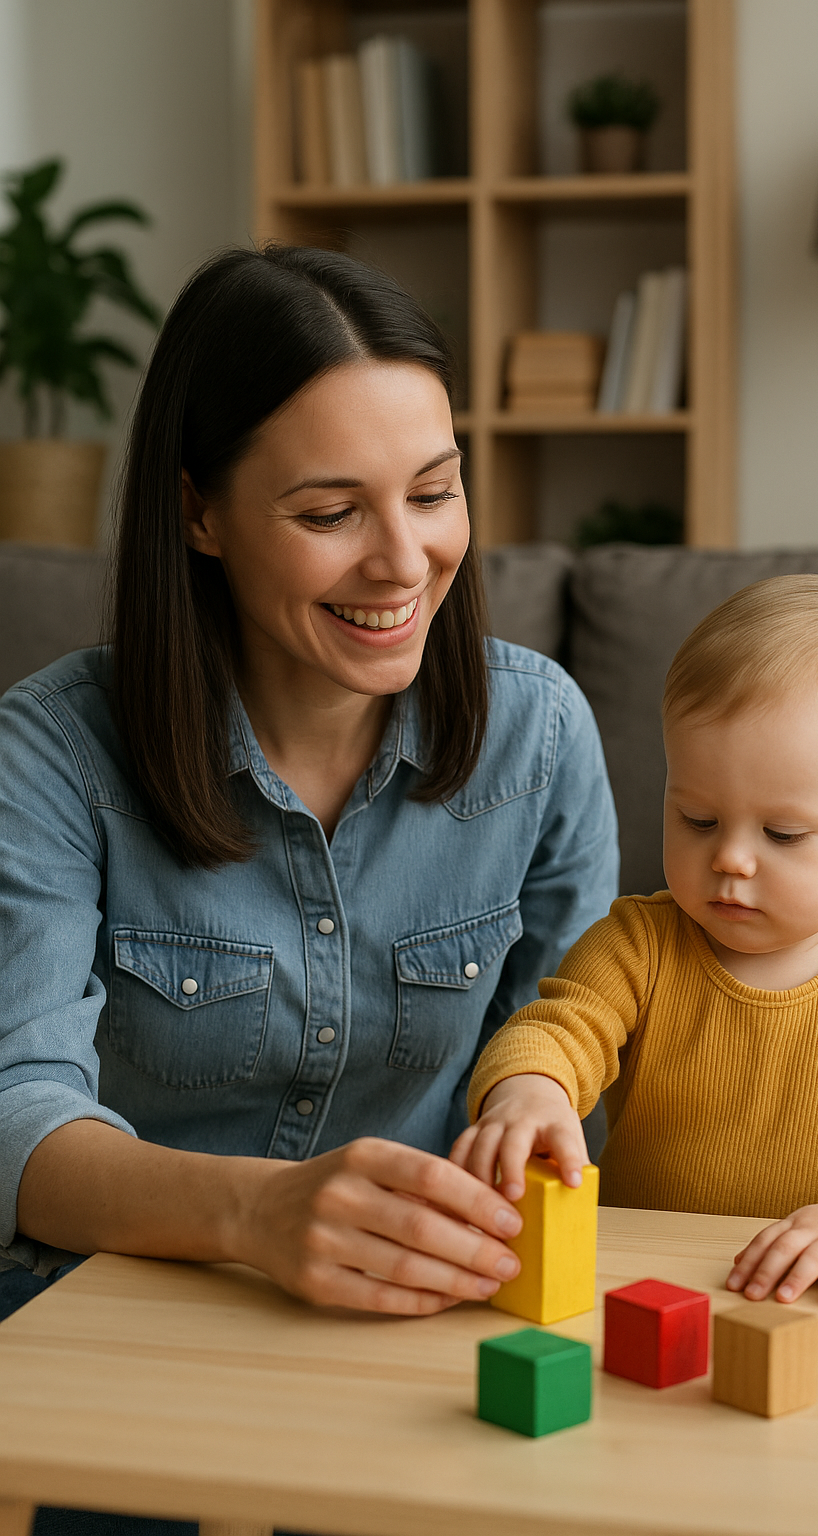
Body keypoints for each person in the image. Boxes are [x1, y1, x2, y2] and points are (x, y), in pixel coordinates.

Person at [0, 246, 619, 1328]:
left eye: (433, 492)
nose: (405, 561)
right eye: (332, 514)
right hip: (116, 1311)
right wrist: (256, 1214)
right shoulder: (53, 754)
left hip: (424, 1314)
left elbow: (572, 1030)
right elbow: (16, 1116)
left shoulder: (543, 734)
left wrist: (538, 1091)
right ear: (199, 513)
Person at [454, 575, 818, 1307]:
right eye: (698, 819)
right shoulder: (637, 944)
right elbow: (556, 1031)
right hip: (646, 1286)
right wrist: (529, 1090)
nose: (730, 859)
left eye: (782, 833)